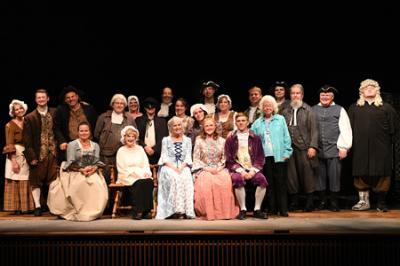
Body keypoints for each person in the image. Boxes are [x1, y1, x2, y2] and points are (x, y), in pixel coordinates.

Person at [348, 79, 399, 212]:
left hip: (382, 148)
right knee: (361, 172)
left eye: (372, 87)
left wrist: (386, 144)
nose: (369, 89)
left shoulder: (386, 108)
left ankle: (381, 202)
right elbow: (348, 129)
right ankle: (363, 201)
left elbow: (394, 129)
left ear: (377, 90)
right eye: (366, 87)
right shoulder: (354, 108)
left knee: (382, 173)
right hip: (360, 148)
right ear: (361, 91)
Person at [47, 122, 108, 221]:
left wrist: (93, 169)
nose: (84, 133)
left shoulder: (95, 145)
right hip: (75, 170)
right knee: (79, 184)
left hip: (91, 170)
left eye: (86, 131)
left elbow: (96, 161)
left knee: (97, 184)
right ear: (78, 132)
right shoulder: (72, 144)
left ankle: (93, 212)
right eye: (81, 131)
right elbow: (70, 162)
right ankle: (81, 211)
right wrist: (81, 169)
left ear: (90, 132)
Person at [312, 85, 352, 212]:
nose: (325, 97)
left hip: (334, 148)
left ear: (332, 97)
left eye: (328, 95)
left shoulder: (339, 109)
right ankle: (322, 201)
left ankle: (334, 202)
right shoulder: (313, 109)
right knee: (319, 177)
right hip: (318, 149)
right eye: (322, 95)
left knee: (334, 176)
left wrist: (344, 147)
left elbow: (345, 129)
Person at [251, 96, 293, 216]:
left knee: (281, 183)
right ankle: (272, 208)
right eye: (265, 106)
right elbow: (252, 140)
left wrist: (287, 152)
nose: (267, 107)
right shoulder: (257, 123)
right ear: (262, 108)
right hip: (264, 158)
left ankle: (283, 209)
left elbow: (286, 137)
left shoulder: (280, 119)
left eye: (270, 105)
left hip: (279, 156)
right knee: (268, 184)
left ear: (274, 107)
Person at [281, 84, 319, 212]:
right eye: (293, 93)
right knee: (291, 176)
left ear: (302, 95)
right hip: (289, 148)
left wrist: (313, 147)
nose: (295, 95)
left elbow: (314, 130)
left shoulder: (309, 110)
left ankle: (309, 202)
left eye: (298, 93)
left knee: (307, 175)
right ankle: (294, 201)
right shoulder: (285, 110)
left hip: (304, 147)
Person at [192, 116, 239, 220]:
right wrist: (207, 168)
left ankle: (224, 213)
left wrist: (219, 168)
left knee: (224, 181)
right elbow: (196, 158)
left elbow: (224, 157)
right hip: (203, 169)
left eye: (211, 125)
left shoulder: (222, 140)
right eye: (207, 125)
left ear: (215, 126)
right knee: (208, 182)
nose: (209, 127)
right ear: (203, 127)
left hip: (219, 168)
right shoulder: (199, 140)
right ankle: (209, 212)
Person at [225, 112, 268, 220]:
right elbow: (229, 159)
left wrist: (253, 171)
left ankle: (257, 210)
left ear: (247, 122)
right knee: (237, 179)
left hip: (252, 168)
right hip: (239, 169)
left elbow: (260, 157)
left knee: (262, 179)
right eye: (238, 121)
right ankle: (243, 209)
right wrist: (242, 171)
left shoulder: (255, 138)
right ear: (235, 123)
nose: (241, 123)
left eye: (243, 120)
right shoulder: (231, 138)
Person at [23, 88, 58, 216]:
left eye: (43, 97)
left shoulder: (55, 112)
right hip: (38, 153)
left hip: (53, 152)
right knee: (36, 180)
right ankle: (38, 205)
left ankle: (52, 205)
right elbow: (27, 140)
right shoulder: (30, 117)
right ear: (35, 99)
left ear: (47, 98)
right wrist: (31, 156)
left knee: (53, 180)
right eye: (39, 97)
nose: (41, 99)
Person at [156, 117, 195, 219]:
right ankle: (174, 210)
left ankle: (185, 211)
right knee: (175, 178)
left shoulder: (187, 140)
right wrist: (173, 167)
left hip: (183, 166)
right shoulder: (166, 140)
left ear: (182, 127)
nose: (177, 127)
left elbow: (188, 156)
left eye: (179, 125)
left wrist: (181, 167)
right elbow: (164, 156)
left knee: (186, 177)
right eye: (175, 125)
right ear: (170, 128)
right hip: (168, 166)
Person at [94, 93, 136, 182]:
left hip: (125, 153)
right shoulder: (103, 117)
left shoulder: (129, 118)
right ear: (112, 104)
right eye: (117, 103)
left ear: (124, 105)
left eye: (122, 103)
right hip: (106, 155)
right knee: (107, 178)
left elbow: (135, 134)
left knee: (123, 178)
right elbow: (96, 134)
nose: (119, 105)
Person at [3, 99, 35, 215]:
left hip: (26, 152)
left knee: (26, 179)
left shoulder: (27, 121)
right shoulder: (10, 125)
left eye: (21, 108)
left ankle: (27, 207)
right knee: (16, 178)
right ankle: (16, 207)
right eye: (16, 109)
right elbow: (9, 143)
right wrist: (14, 161)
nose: (19, 110)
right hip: (15, 153)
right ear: (13, 112)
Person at [116, 126, 154, 219]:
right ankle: (138, 211)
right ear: (124, 138)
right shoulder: (121, 151)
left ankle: (147, 211)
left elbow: (145, 163)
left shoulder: (140, 149)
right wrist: (132, 173)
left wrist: (146, 172)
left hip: (140, 173)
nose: (131, 138)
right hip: (127, 175)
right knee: (139, 182)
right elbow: (121, 167)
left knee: (148, 181)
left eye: (133, 136)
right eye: (128, 136)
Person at [54, 85, 97, 162]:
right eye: (68, 97)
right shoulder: (61, 111)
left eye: (73, 96)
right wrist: (62, 141)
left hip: (88, 145)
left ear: (77, 97)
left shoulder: (88, 109)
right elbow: (57, 128)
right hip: (71, 146)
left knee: (88, 167)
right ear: (65, 100)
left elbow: (95, 125)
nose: (71, 99)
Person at [136, 97, 169, 165]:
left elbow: (164, 138)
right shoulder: (138, 120)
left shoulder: (162, 121)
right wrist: (145, 146)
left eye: (152, 107)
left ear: (156, 108)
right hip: (142, 153)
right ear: (145, 108)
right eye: (148, 107)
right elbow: (136, 136)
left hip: (157, 154)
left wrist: (154, 149)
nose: (150, 108)